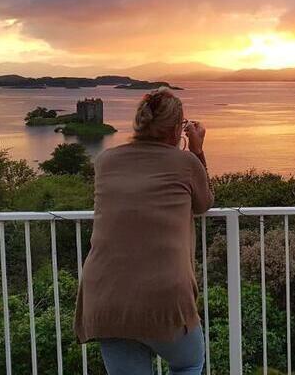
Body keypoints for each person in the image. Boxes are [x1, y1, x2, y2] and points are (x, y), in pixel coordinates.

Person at [74, 87, 214, 375]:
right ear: (178, 128)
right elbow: (203, 203)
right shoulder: (186, 162)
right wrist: (197, 150)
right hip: (164, 295)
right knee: (189, 363)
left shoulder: (105, 161)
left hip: (107, 297)